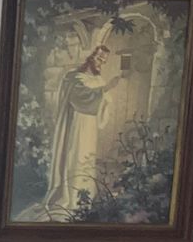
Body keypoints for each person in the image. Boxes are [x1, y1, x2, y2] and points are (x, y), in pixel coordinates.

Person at [23, 44, 122, 221]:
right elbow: (80, 98)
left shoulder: (98, 81)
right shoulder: (73, 78)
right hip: (77, 125)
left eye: (104, 61)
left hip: (90, 127)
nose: (100, 63)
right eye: (99, 58)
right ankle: (73, 198)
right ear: (90, 57)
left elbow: (104, 104)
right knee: (75, 157)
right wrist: (105, 89)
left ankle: (85, 198)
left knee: (87, 159)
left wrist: (106, 96)